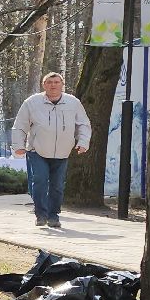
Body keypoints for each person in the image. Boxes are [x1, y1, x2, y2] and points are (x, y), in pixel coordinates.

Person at [11, 71, 90, 229]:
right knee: (39, 180)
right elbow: (20, 125)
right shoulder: (32, 102)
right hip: (37, 150)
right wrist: (18, 146)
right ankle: (41, 214)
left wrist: (83, 142)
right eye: (49, 82)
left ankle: (54, 215)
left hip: (62, 152)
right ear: (44, 85)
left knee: (57, 185)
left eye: (56, 82)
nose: (53, 85)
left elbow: (83, 124)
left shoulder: (73, 103)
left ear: (62, 85)